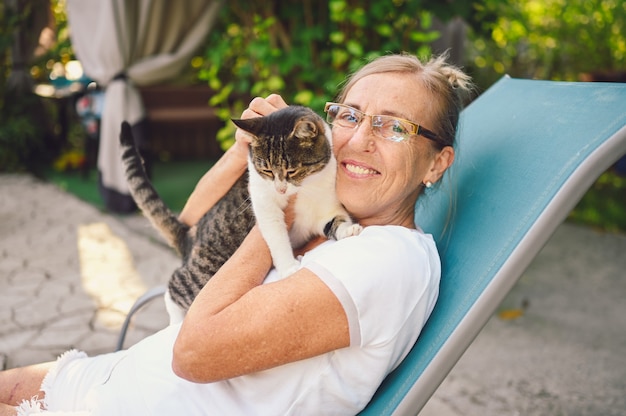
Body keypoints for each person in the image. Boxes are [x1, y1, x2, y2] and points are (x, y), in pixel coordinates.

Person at [0, 53, 472, 416]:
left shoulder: (386, 259)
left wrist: (275, 208)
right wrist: (248, 149)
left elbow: (192, 352)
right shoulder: (334, 213)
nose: (359, 139)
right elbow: (189, 231)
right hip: (109, 380)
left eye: (393, 127)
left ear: (436, 162)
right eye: (349, 115)